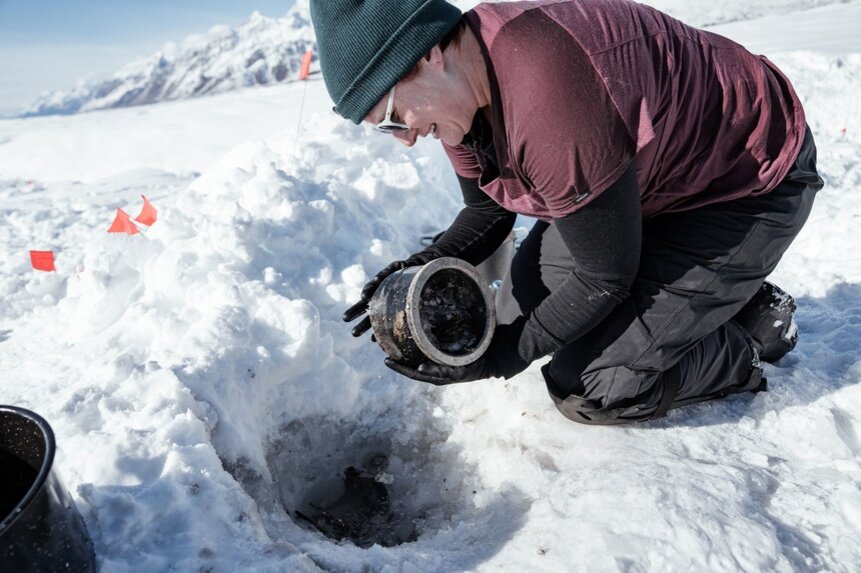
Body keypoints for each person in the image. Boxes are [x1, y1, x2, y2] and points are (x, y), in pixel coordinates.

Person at [310, 0, 824, 424]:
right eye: (385, 128)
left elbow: (605, 278)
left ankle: (748, 335)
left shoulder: (546, 92)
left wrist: (500, 358)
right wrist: (419, 265)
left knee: (593, 385)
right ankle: (714, 294)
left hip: (747, 180)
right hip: (653, 181)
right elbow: (488, 213)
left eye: (394, 116)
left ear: (428, 55)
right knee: (531, 292)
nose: (404, 138)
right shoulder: (463, 97)